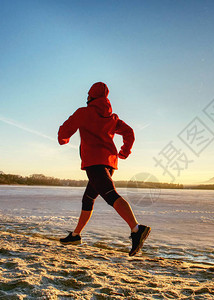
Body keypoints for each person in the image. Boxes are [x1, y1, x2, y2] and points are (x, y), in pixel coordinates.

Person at [57, 82, 150, 256]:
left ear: (91, 96)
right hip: (109, 163)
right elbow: (129, 132)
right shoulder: (112, 118)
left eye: (88, 95)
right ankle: (76, 236)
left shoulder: (83, 113)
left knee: (110, 195)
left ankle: (137, 229)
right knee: (88, 199)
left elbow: (64, 131)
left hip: (94, 163)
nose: (86, 98)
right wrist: (124, 152)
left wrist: (63, 140)